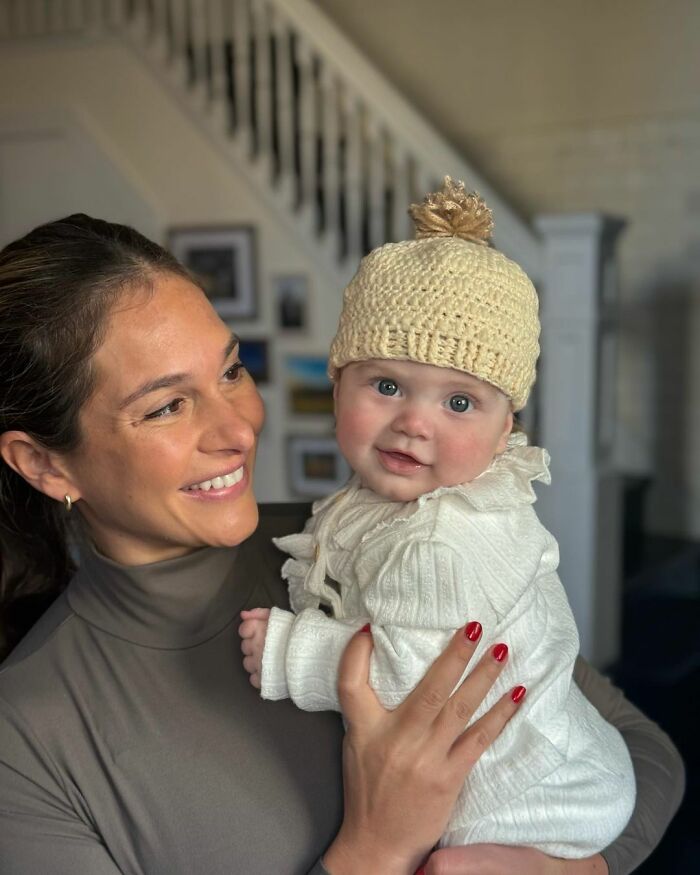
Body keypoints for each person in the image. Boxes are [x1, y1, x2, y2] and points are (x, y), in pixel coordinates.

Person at [0, 213, 683, 875]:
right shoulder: (24, 745)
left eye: (231, 372)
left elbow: (639, 745)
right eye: (167, 406)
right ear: (43, 464)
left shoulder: (354, 540)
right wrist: (374, 851)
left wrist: (577, 869)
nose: (238, 428)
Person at [241, 179, 636, 856]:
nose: (414, 423)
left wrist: (293, 652)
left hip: (533, 799)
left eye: (459, 402)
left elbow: (418, 677)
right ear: (337, 387)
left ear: (505, 429)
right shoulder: (392, 501)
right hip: (563, 754)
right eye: (387, 385)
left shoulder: (440, 541)